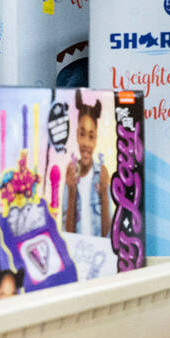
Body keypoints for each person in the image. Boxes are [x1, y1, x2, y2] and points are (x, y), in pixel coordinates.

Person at [63, 90, 110, 237]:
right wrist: (71, 192)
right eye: (82, 134)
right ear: (76, 135)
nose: (86, 143)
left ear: (96, 139)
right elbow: (68, 234)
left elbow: (107, 235)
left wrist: (104, 197)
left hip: (99, 255)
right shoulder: (71, 173)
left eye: (91, 136)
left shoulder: (101, 174)